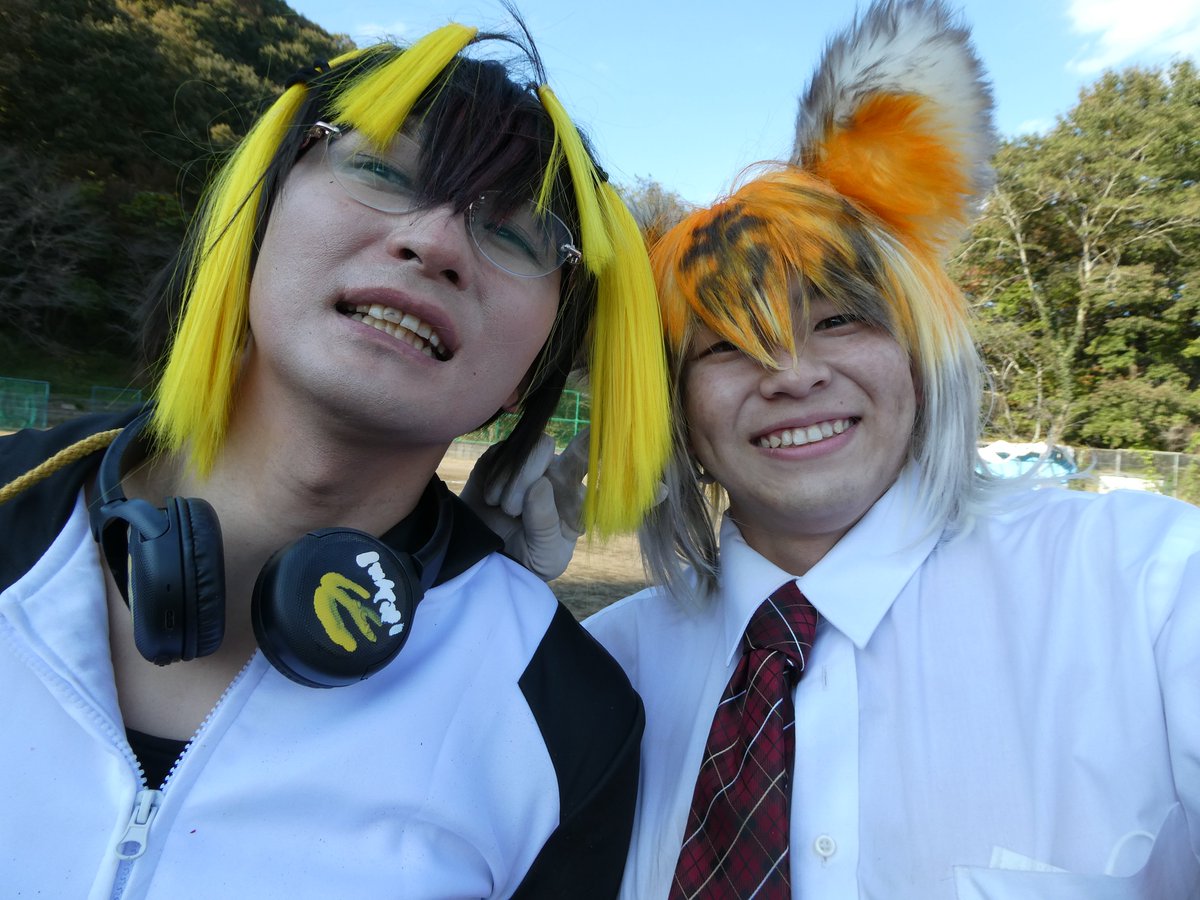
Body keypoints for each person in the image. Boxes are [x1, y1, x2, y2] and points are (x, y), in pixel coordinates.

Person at [480, 1, 1200, 896]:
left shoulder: (1145, 589)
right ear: (677, 413)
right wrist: (476, 603)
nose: (792, 375)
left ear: (919, 357)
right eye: (728, 346)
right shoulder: (601, 674)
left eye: (839, 321)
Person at [0, 19, 670, 898]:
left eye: (513, 235)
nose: (435, 245)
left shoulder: (572, 716)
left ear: (531, 370)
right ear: (257, 212)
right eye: (383, 171)